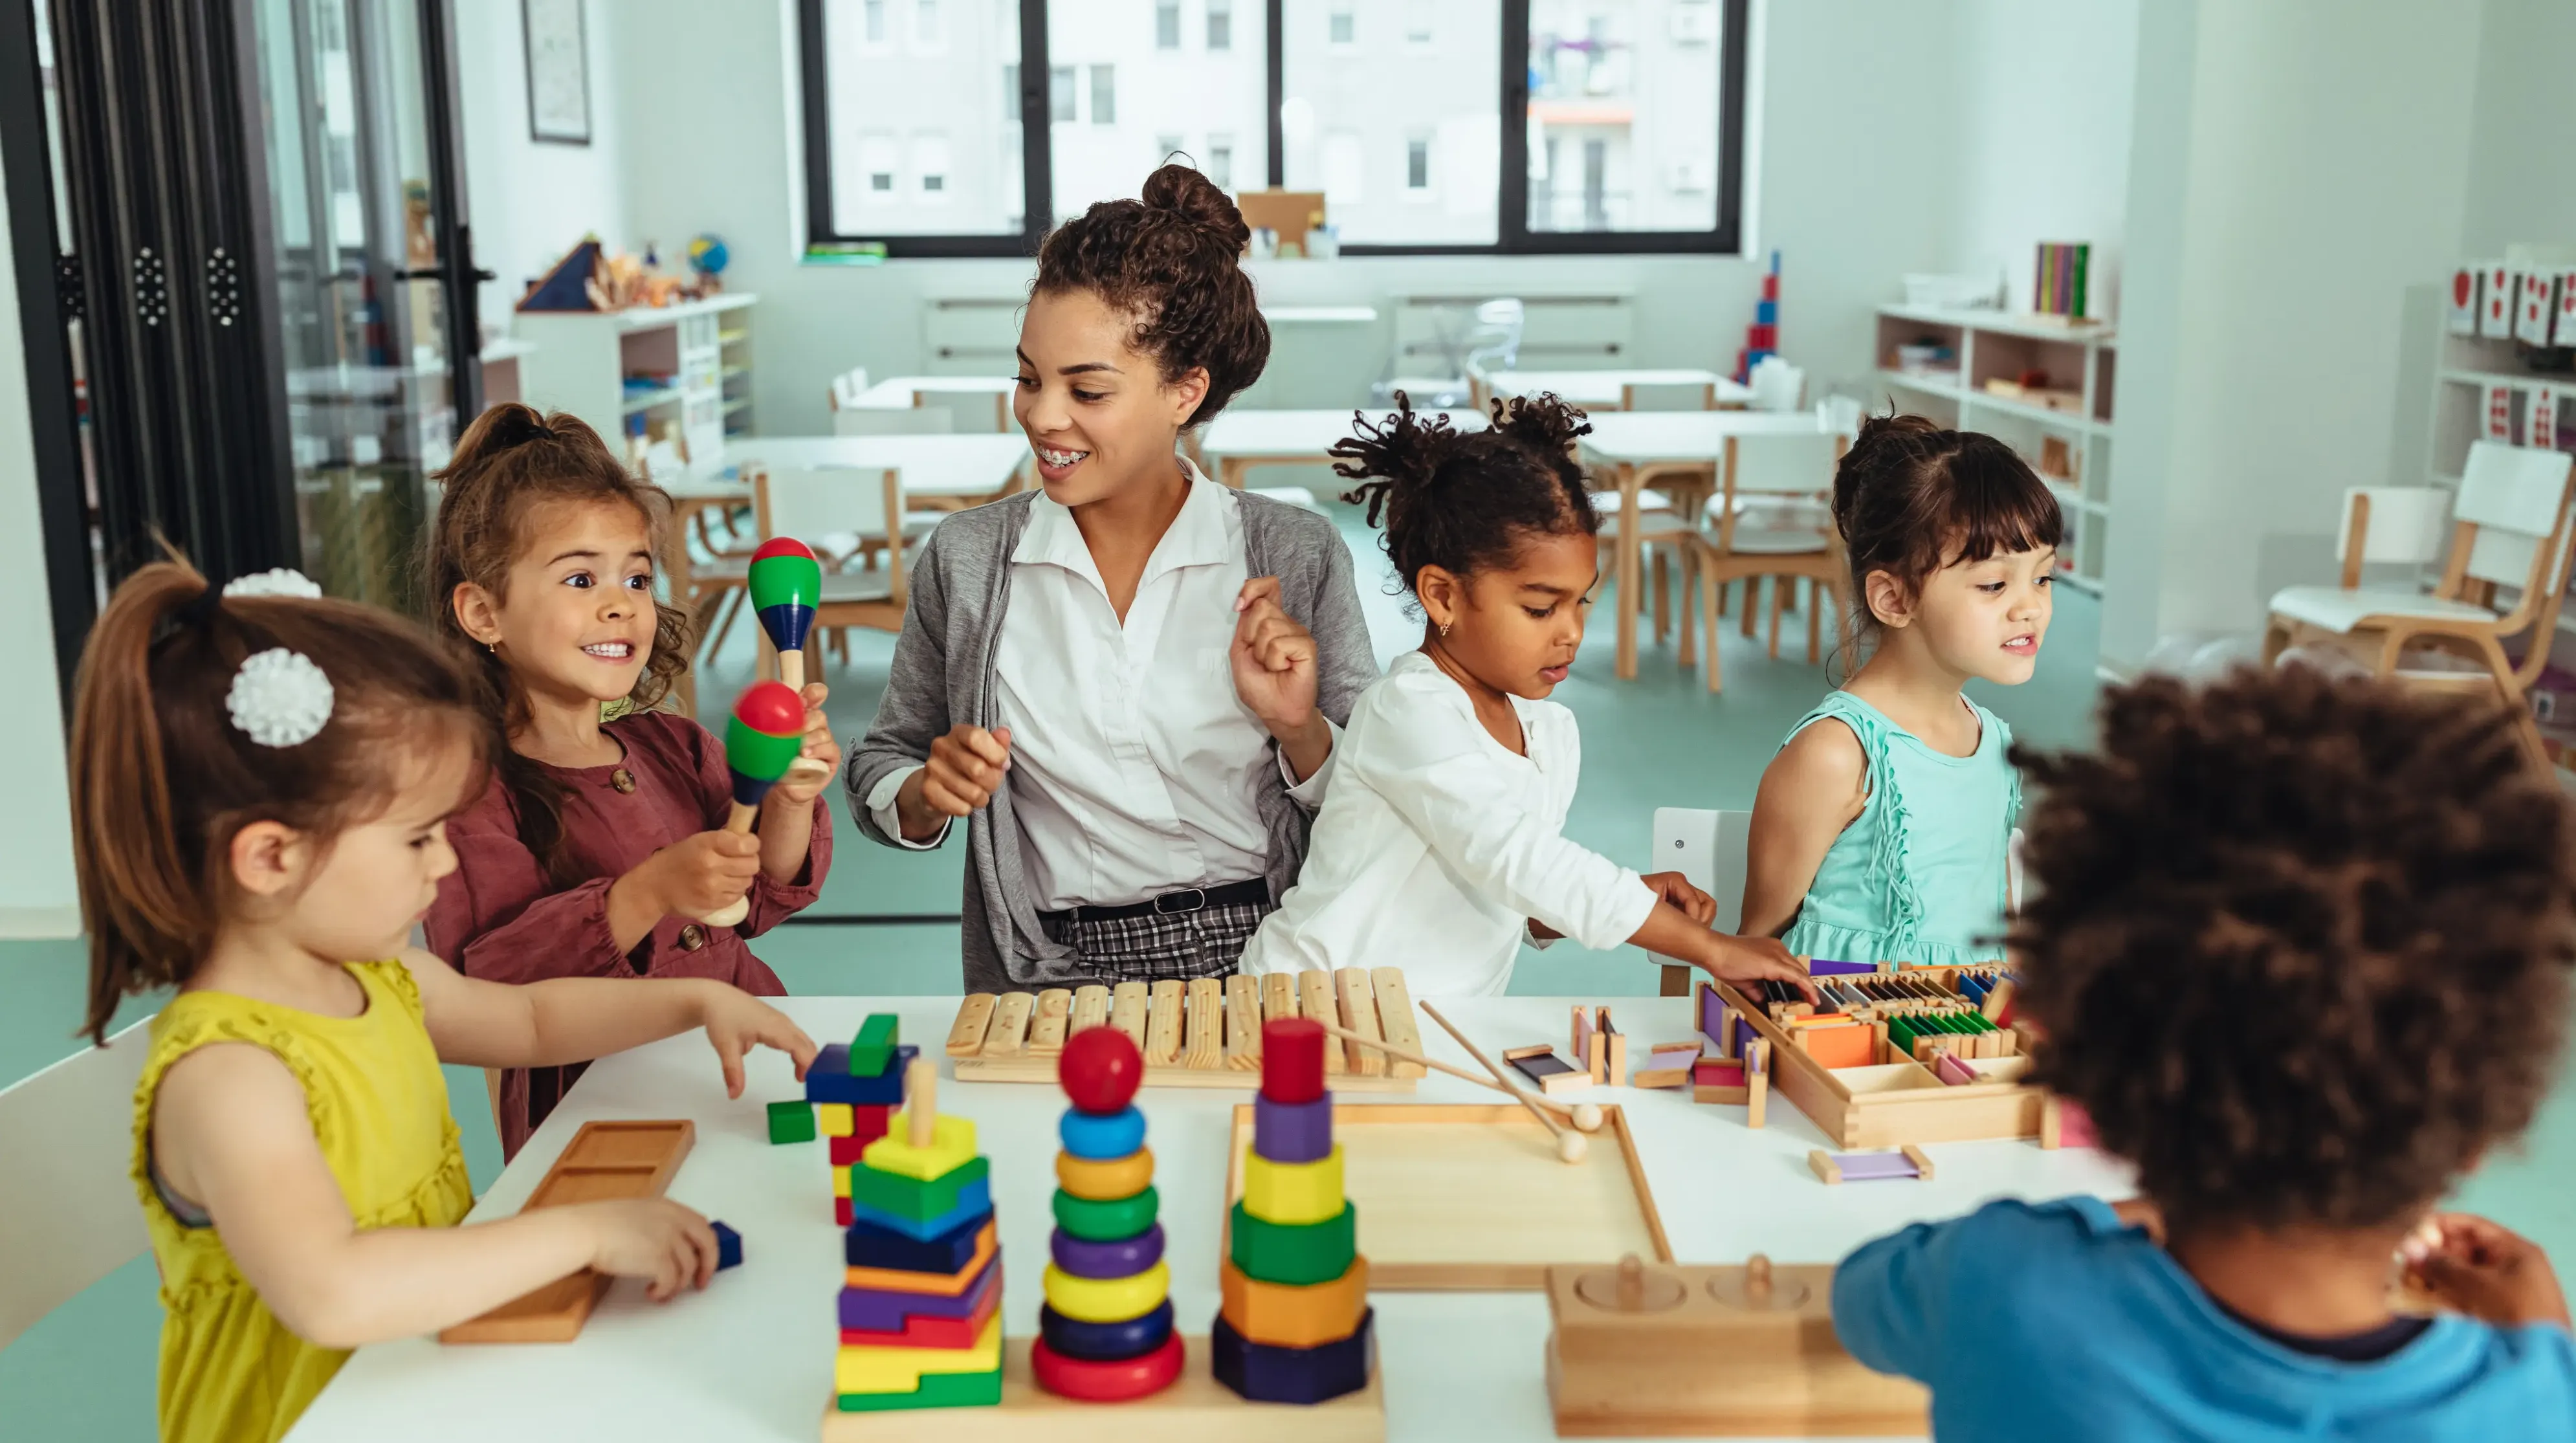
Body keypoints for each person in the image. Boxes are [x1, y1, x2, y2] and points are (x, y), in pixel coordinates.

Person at [74, 561, 815, 1443]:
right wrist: (586, 1233)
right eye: (417, 837)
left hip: (428, 1383)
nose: (444, 861)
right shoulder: (230, 1076)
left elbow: (530, 1020)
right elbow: (334, 1289)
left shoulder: (381, 978)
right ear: (271, 857)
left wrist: (693, 1002)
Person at [1832, 670, 2576, 1440]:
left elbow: (1862, 1297)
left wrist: (2093, 1223)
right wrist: (2549, 1345)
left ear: (2104, 1085)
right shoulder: (2535, 1406)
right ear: (2481, 1131)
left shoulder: (2004, 1279)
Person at [846, 164, 1376, 992]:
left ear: (1185, 392)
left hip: (1276, 952)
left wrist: (1299, 727)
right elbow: (884, 760)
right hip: (1047, 967)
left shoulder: (1293, 553)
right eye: (1028, 378)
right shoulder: (968, 559)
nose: (1041, 415)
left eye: (1087, 390)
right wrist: (924, 791)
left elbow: (1380, 799)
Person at [1237, 397, 1814, 998]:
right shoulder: (1408, 708)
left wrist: (1634, 897)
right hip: (1310, 1006)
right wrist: (1712, 948)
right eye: (1540, 608)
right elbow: (1514, 858)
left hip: (1433, 1022)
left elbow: (1510, 894)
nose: (1572, 632)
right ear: (1442, 596)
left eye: (1581, 601)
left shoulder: (1549, 731)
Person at [423, 404, 838, 1157]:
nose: (620, 603)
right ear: (484, 612)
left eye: (637, 577)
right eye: (581, 577)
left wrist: (788, 798)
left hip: (738, 1071)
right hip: (596, 1115)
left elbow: (758, 899)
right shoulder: (471, 795)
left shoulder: (674, 745)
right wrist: (648, 891)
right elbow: (486, 986)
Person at [1741, 413, 2057, 968]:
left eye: (2042, 577)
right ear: (1893, 599)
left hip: (1966, 1021)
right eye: (1994, 584)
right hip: (1841, 1019)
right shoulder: (1835, 755)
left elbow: (1999, 941)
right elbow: (1751, 958)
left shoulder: (1994, 743)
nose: (2030, 607)